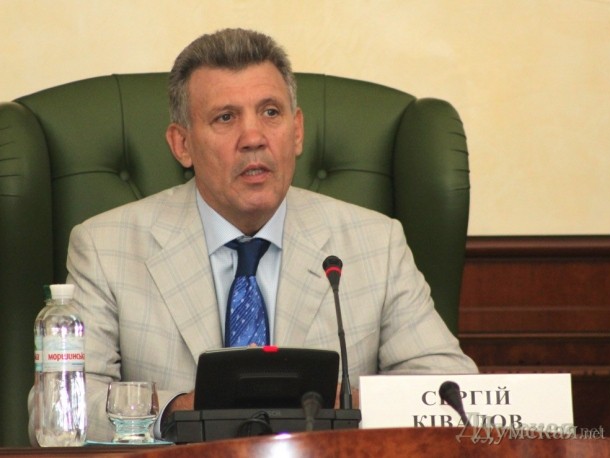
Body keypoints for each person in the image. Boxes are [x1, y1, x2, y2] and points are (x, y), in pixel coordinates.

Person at [29, 28, 477, 443]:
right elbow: (59, 408)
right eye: (225, 117)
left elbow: (451, 390)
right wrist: (178, 411)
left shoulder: (375, 243)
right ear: (182, 144)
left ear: (297, 131)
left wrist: (342, 405)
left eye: (270, 112)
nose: (253, 137)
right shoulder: (106, 246)